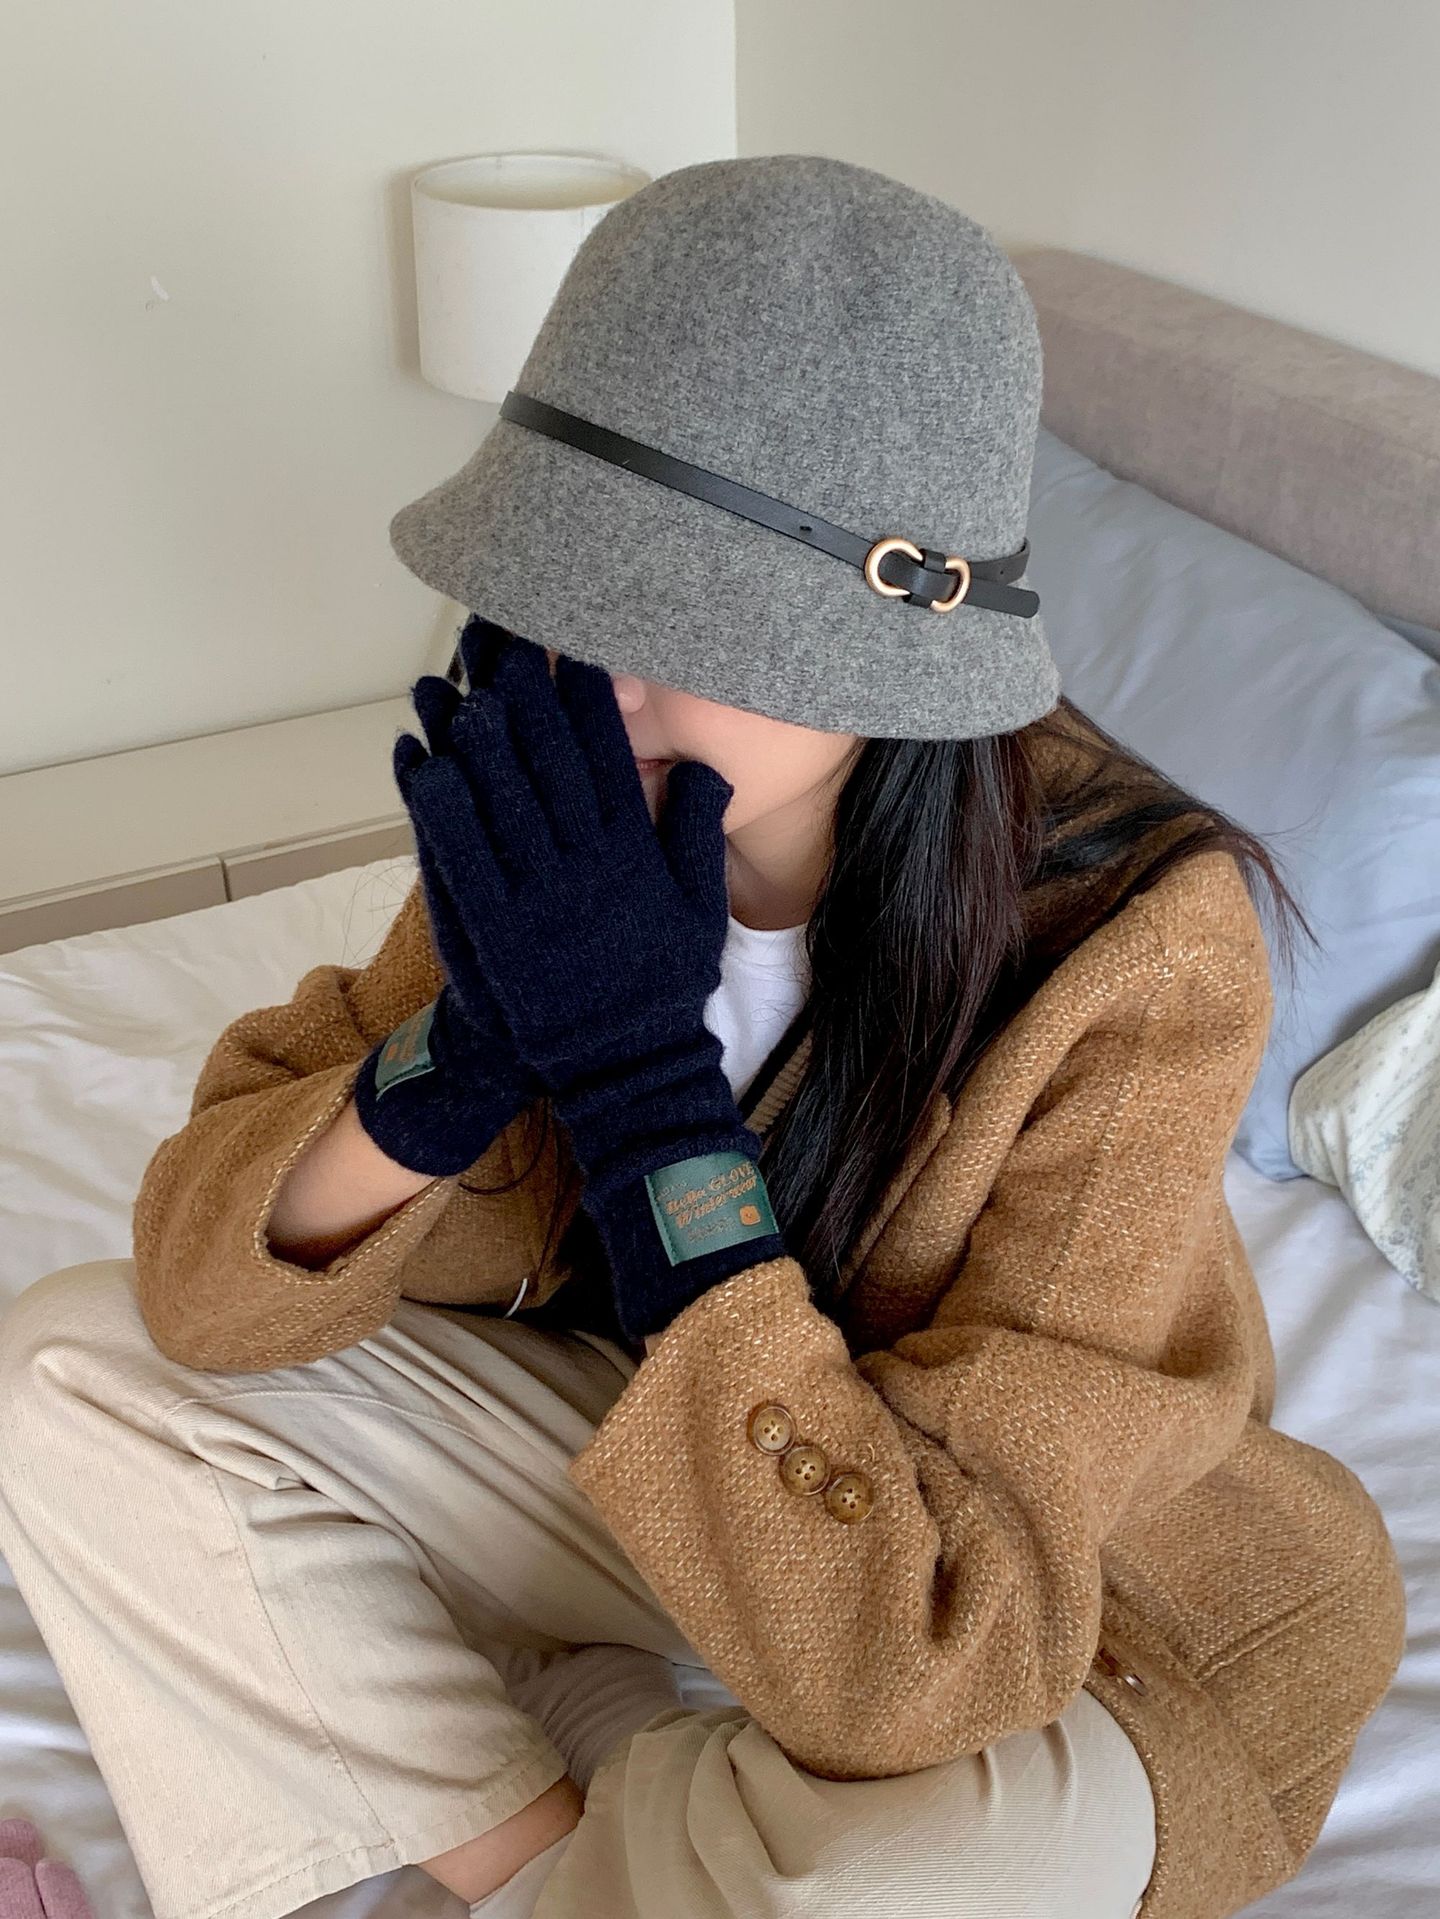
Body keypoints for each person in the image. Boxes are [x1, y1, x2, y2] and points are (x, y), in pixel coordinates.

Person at [0, 156, 1405, 1919]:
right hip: (666, 1451)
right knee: (69, 1365)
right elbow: (204, 1297)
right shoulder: (566, 788)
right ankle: (556, 1864)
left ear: (900, 639)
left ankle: (597, 1800)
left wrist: (649, 1102)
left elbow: (911, 1673)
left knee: (957, 1858)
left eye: (693, 616)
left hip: (1018, 1589)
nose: (603, 677)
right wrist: (472, 1054)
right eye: (568, 591)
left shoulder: (1140, 946)